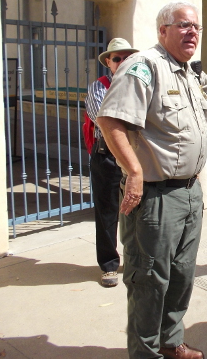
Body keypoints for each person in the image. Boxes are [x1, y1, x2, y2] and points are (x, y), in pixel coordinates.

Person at [97, 1, 207, 359]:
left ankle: (171, 343)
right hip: (155, 198)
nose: (192, 31)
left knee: (181, 278)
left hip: (189, 193)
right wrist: (133, 171)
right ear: (163, 31)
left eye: (196, 26)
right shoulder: (144, 66)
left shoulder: (192, 74)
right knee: (149, 282)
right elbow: (110, 121)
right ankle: (146, 354)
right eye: (183, 25)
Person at [85, 38, 138, 287]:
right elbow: (103, 119)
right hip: (106, 156)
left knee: (135, 209)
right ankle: (108, 265)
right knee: (107, 211)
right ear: (108, 62)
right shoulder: (99, 87)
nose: (122, 62)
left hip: (134, 156)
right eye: (117, 58)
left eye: (127, 57)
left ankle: (135, 260)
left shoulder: (138, 87)